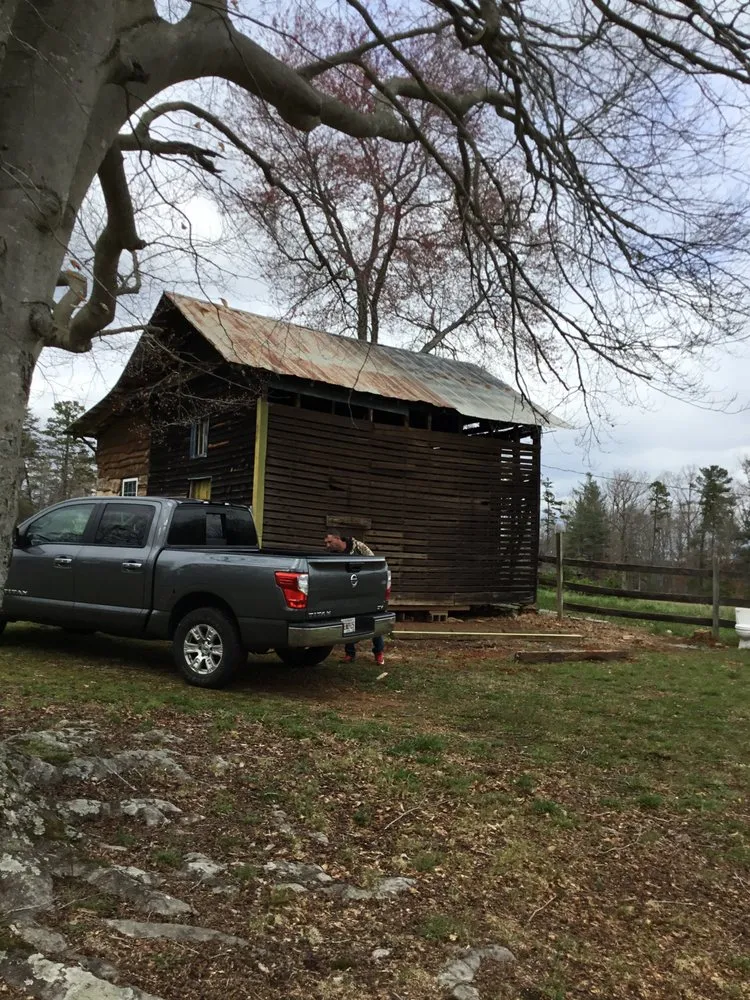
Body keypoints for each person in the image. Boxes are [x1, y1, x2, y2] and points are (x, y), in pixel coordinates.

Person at [324, 530, 385, 666]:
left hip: (365, 589)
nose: (327, 545)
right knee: (349, 620)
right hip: (347, 592)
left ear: (338, 538)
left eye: (329, 542)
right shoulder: (331, 554)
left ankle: (379, 652)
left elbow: (373, 563)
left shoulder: (358, 547)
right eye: (326, 543)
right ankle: (350, 653)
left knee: (373, 619)